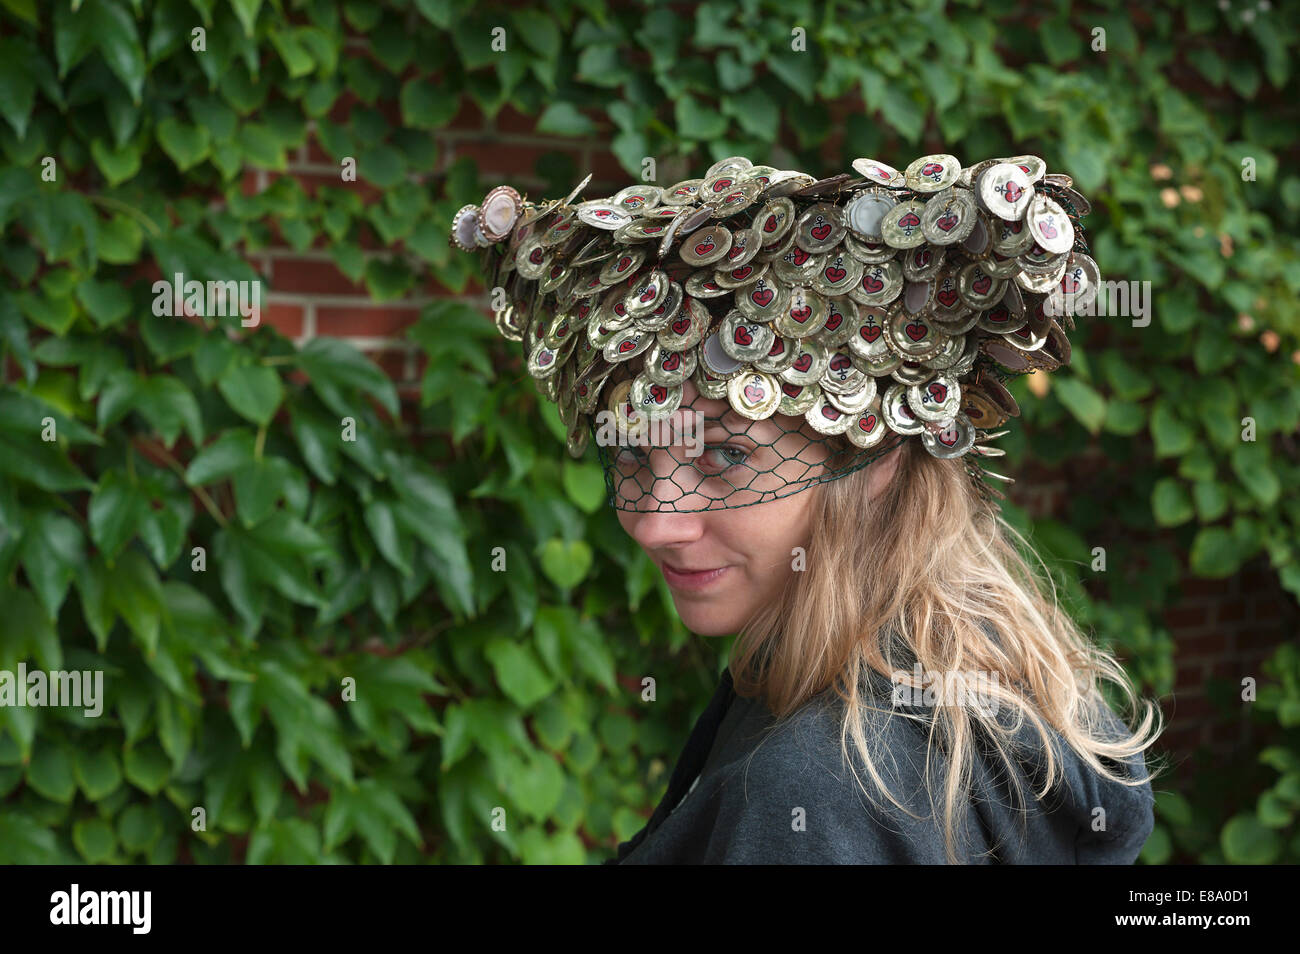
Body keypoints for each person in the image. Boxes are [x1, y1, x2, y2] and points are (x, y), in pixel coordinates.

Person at [451, 153, 1164, 864]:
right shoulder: (957, 686)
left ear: (878, 460)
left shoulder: (812, 791)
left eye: (726, 458)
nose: (655, 523)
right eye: (634, 456)